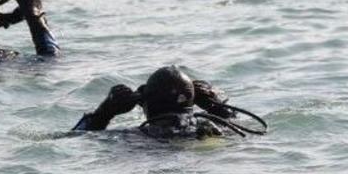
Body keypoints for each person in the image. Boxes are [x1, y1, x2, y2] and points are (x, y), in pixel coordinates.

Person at [72, 65, 267, 139]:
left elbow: (74, 139)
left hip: (150, 150)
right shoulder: (218, 127)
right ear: (194, 102)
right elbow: (249, 130)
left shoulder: (131, 136)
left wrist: (105, 112)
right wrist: (216, 106)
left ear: (144, 103)